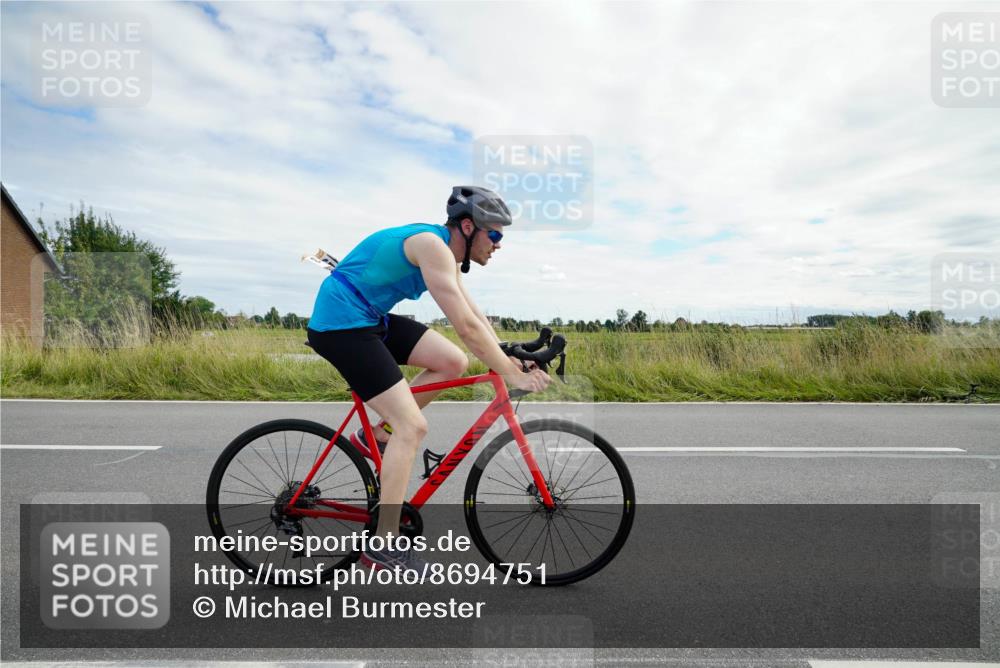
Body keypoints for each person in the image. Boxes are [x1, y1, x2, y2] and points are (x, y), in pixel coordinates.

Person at [306, 185, 551, 571]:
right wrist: (510, 375)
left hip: (370, 317)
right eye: (496, 234)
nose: (499, 244)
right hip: (341, 325)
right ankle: (382, 544)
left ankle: (380, 435)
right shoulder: (432, 246)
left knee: (453, 361)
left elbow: (474, 316)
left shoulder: (447, 257)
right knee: (413, 427)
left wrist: (507, 354)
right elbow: (466, 328)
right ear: (468, 227)